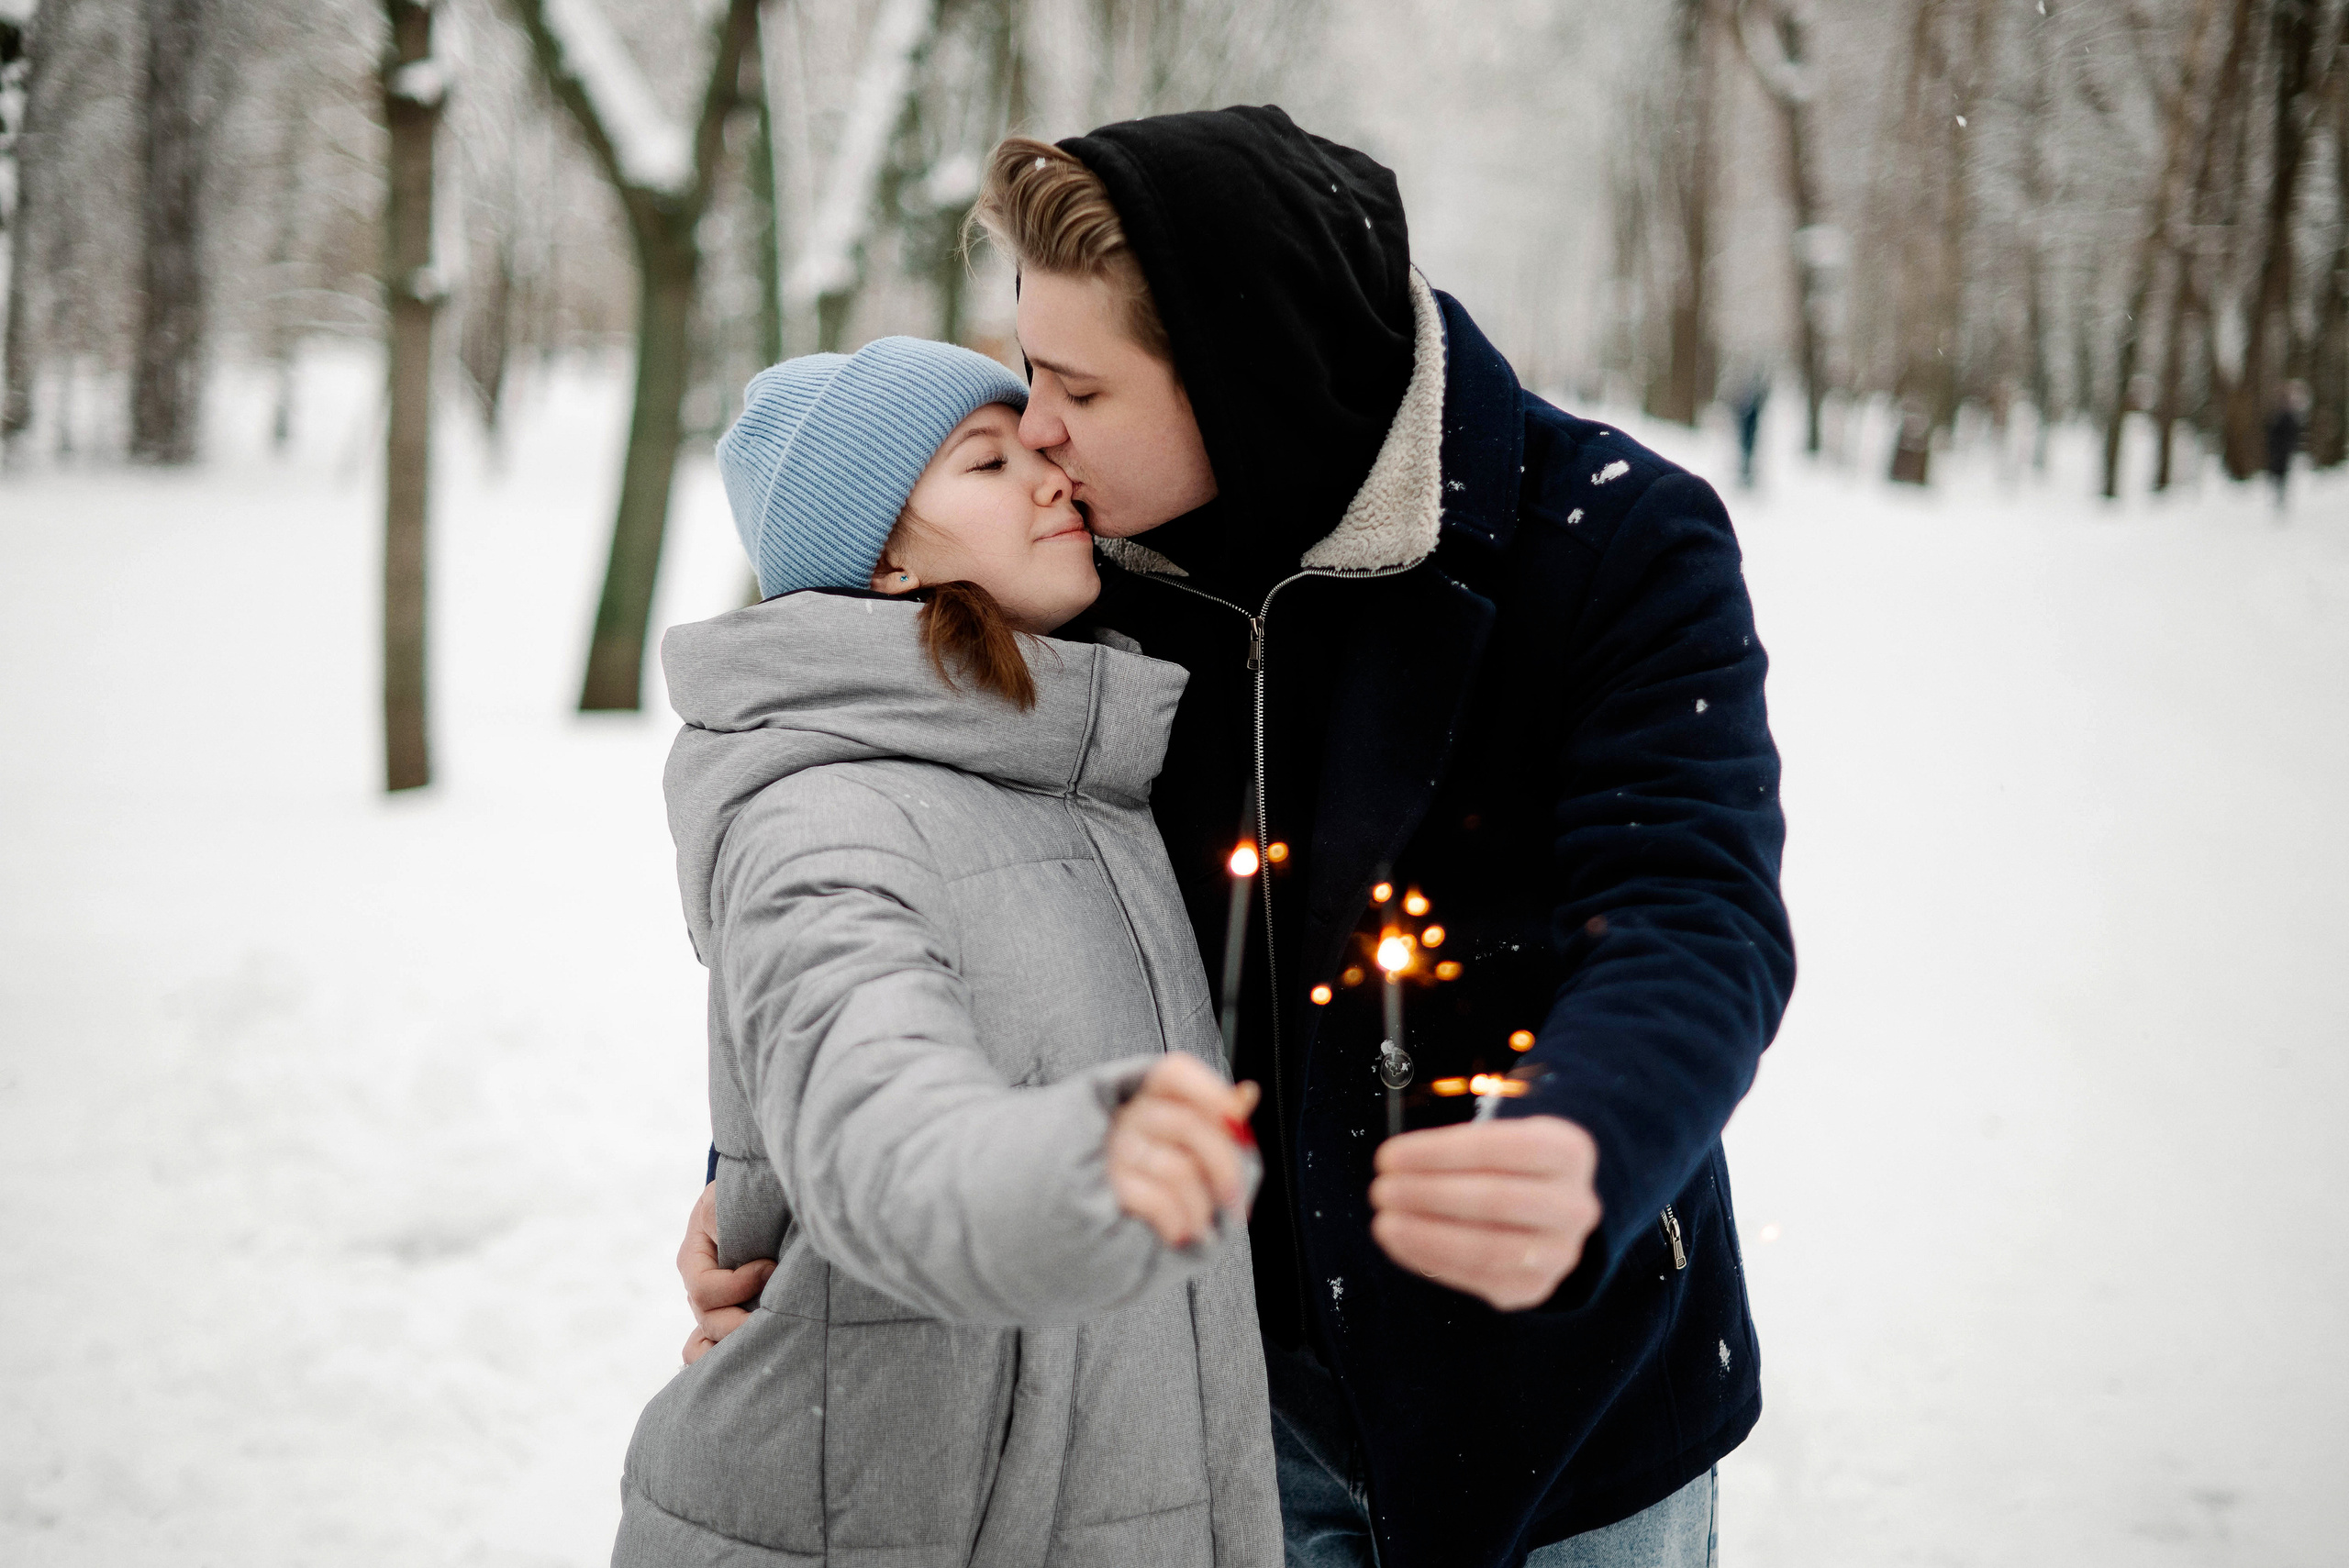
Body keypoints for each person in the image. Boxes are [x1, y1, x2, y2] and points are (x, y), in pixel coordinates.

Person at [685, 108, 1794, 1568]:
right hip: (1232, 1420)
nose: (1038, 427)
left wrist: (1593, 1131)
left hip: (1568, 1405)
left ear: (1238, 375)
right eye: (1028, 370)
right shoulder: (1085, 579)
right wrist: (767, 1183)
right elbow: (889, 867)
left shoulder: (1610, 540)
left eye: (1080, 385)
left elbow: (1692, 906)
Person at [622, 336, 1283, 1566]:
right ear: (883, 557)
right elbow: (872, 1105)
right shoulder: (824, 814)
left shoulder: (1072, 769)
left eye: (1037, 448)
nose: (1053, 475)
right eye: (988, 462)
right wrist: (1073, 1168)